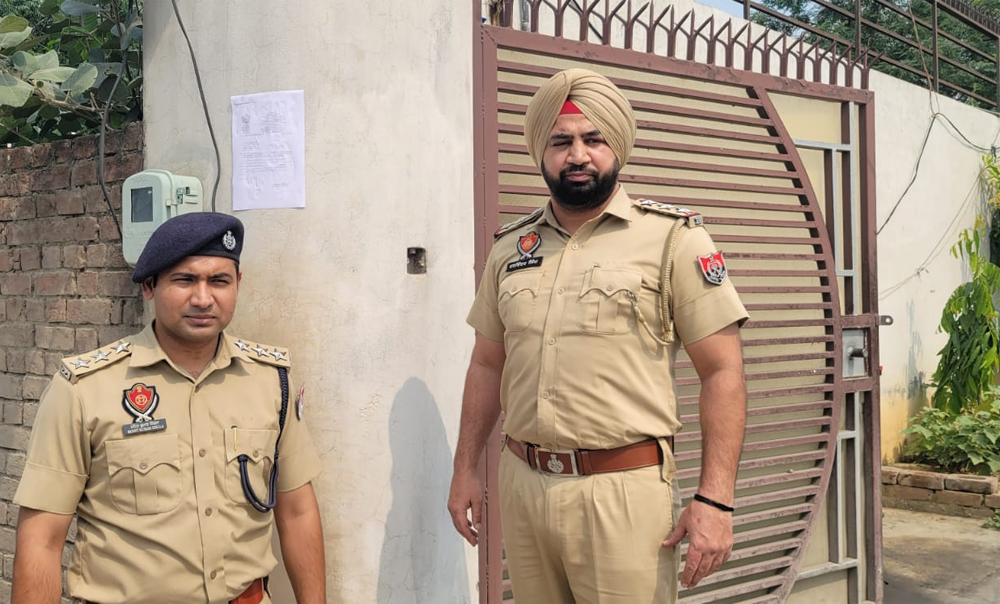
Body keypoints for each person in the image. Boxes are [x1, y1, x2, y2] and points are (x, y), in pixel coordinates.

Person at [447, 68, 749, 603]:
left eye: (594, 139)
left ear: (618, 147)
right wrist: (464, 468)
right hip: (523, 485)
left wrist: (716, 499)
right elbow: (487, 364)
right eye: (561, 142)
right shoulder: (510, 249)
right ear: (541, 153)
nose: (578, 155)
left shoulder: (673, 240)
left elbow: (723, 371)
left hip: (624, 494)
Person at [11, 213, 326, 604]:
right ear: (149, 286)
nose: (203, 298)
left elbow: (297, 511)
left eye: (219, 281)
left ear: (238, 283)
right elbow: (41, 539)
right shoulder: (84, 389)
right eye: (185, 280)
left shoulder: (270, 381)